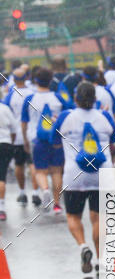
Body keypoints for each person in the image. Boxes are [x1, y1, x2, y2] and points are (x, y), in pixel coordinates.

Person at [53, 81, 115, 274]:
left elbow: (54, 143)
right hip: (102, 174)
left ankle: (83, 247)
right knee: (100, 218)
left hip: (75, 176)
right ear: (95, 99)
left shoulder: (66, 117)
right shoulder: (105, 115)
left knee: (73, 216)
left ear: (75, 98)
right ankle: (100, 260)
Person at [21, 67, 65, 212]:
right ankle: (57, 204)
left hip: (36, 139)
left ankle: (45, 189)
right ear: (50, 80)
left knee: (40, 170)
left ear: (35, 80)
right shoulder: (58, 98)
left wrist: (25, 140)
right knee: (57, 171)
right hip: (56, 139)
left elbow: (24, 122)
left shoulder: (30, 99)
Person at [4, 65, 40, 205]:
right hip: (32, 134)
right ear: (26, 78)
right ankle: (36, 193)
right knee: (33, 164)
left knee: (19, 164)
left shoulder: (10, 95)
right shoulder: (33, 92)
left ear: (14, 79)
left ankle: (22, 192)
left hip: (17, 135)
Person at [0, 99, 16, 220]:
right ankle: (2, 208)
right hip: (5, 143)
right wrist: (11, 142)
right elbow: (14, 129)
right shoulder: (5, 109)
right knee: (2, 176)